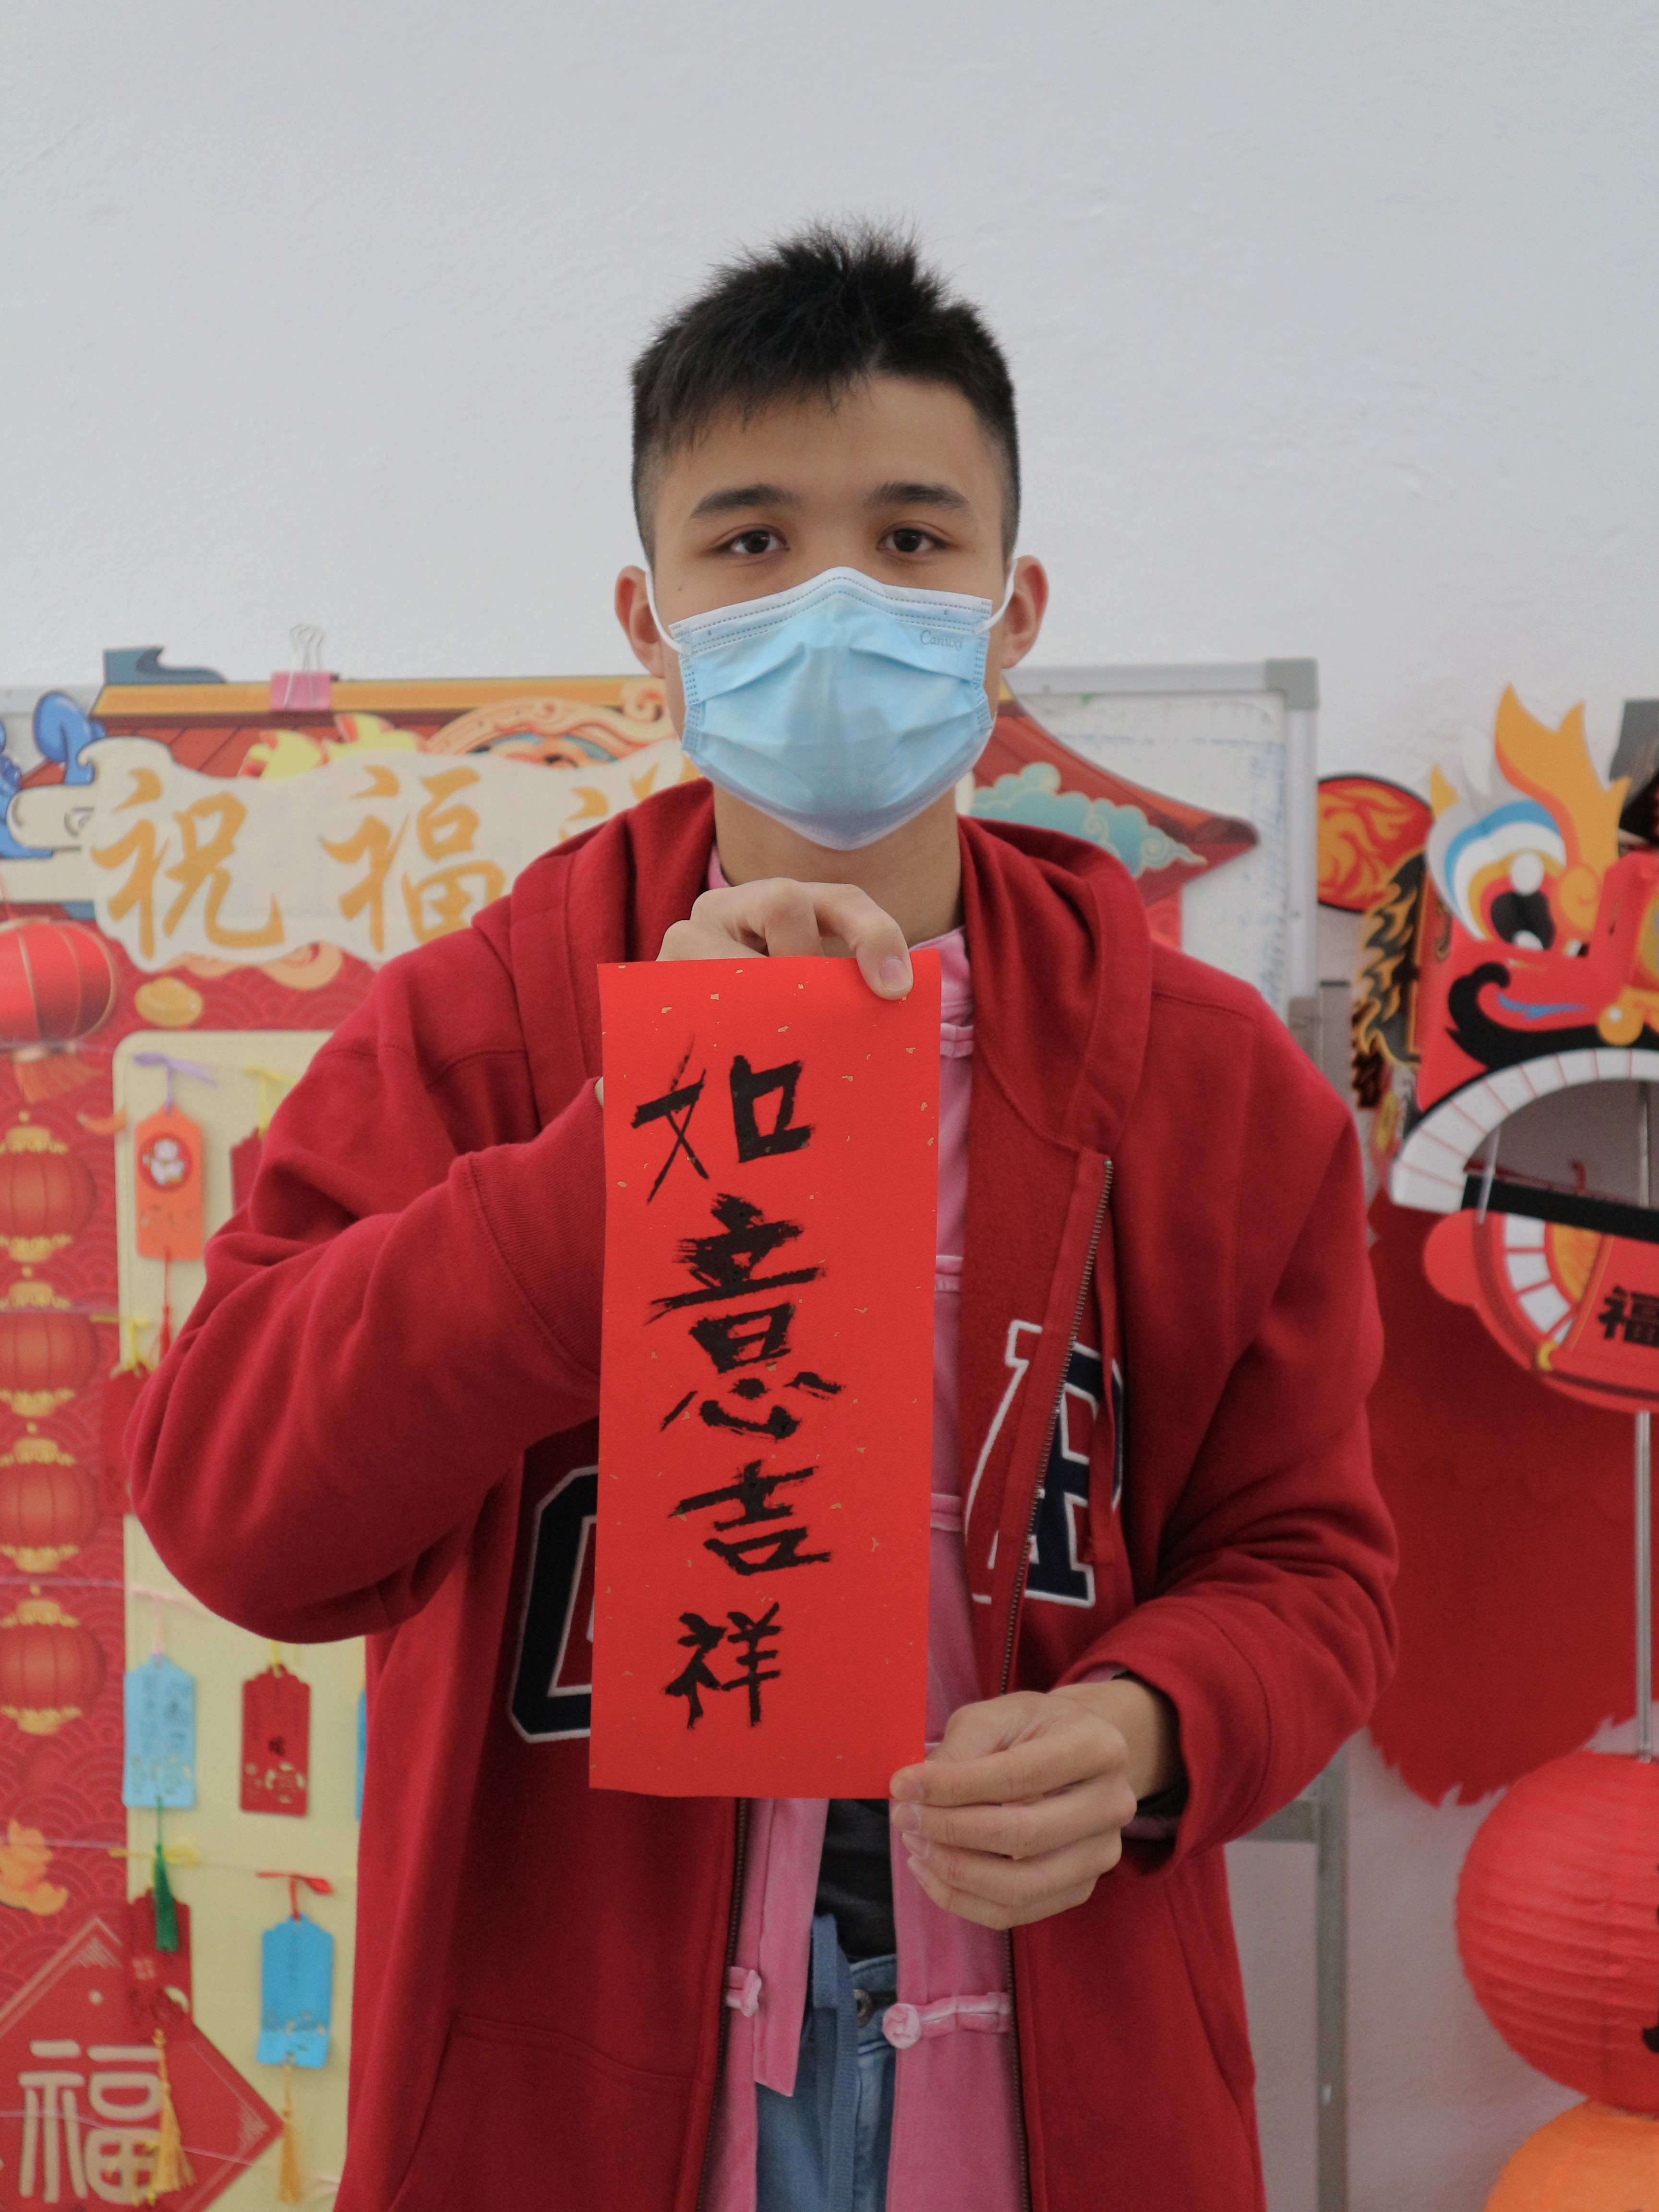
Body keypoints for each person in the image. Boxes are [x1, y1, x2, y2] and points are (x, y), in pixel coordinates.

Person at [129, 224, 1396, 2212]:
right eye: (749, 544)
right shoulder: (479, 1036)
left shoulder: (1213, 1086)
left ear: (1011, 610)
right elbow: (233, 1510)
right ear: (649, 623)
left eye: (910, 538)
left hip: (1058, 2072)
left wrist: (1162, 1723)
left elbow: (1313, 1564)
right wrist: (612, 1168)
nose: (833, 601)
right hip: (577, 2077)